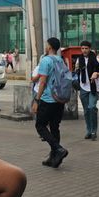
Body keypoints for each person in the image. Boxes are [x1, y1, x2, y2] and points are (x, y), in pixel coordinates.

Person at [32, 37, 67, 167]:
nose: (45, 47)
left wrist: (37, 99)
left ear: (50, 47)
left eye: (46, 44)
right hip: (60, 99)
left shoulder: (46, 60)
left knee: (40, 125)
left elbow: (43, 81)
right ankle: (54, 158)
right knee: (54, 127)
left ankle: (58, 149)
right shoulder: (61, 60)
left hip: (48, 99)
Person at [73, 40, 99, 140]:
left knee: (91, 108)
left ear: (89, 49)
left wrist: (97, 74)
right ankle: (89, 130)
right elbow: (77, 72)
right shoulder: (79, 60)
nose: (84, 50)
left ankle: (94, 131)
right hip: (83, 87)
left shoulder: (96, 60)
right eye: (82, 48)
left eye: (86, 48)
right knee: (86, 111)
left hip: (94, 88)